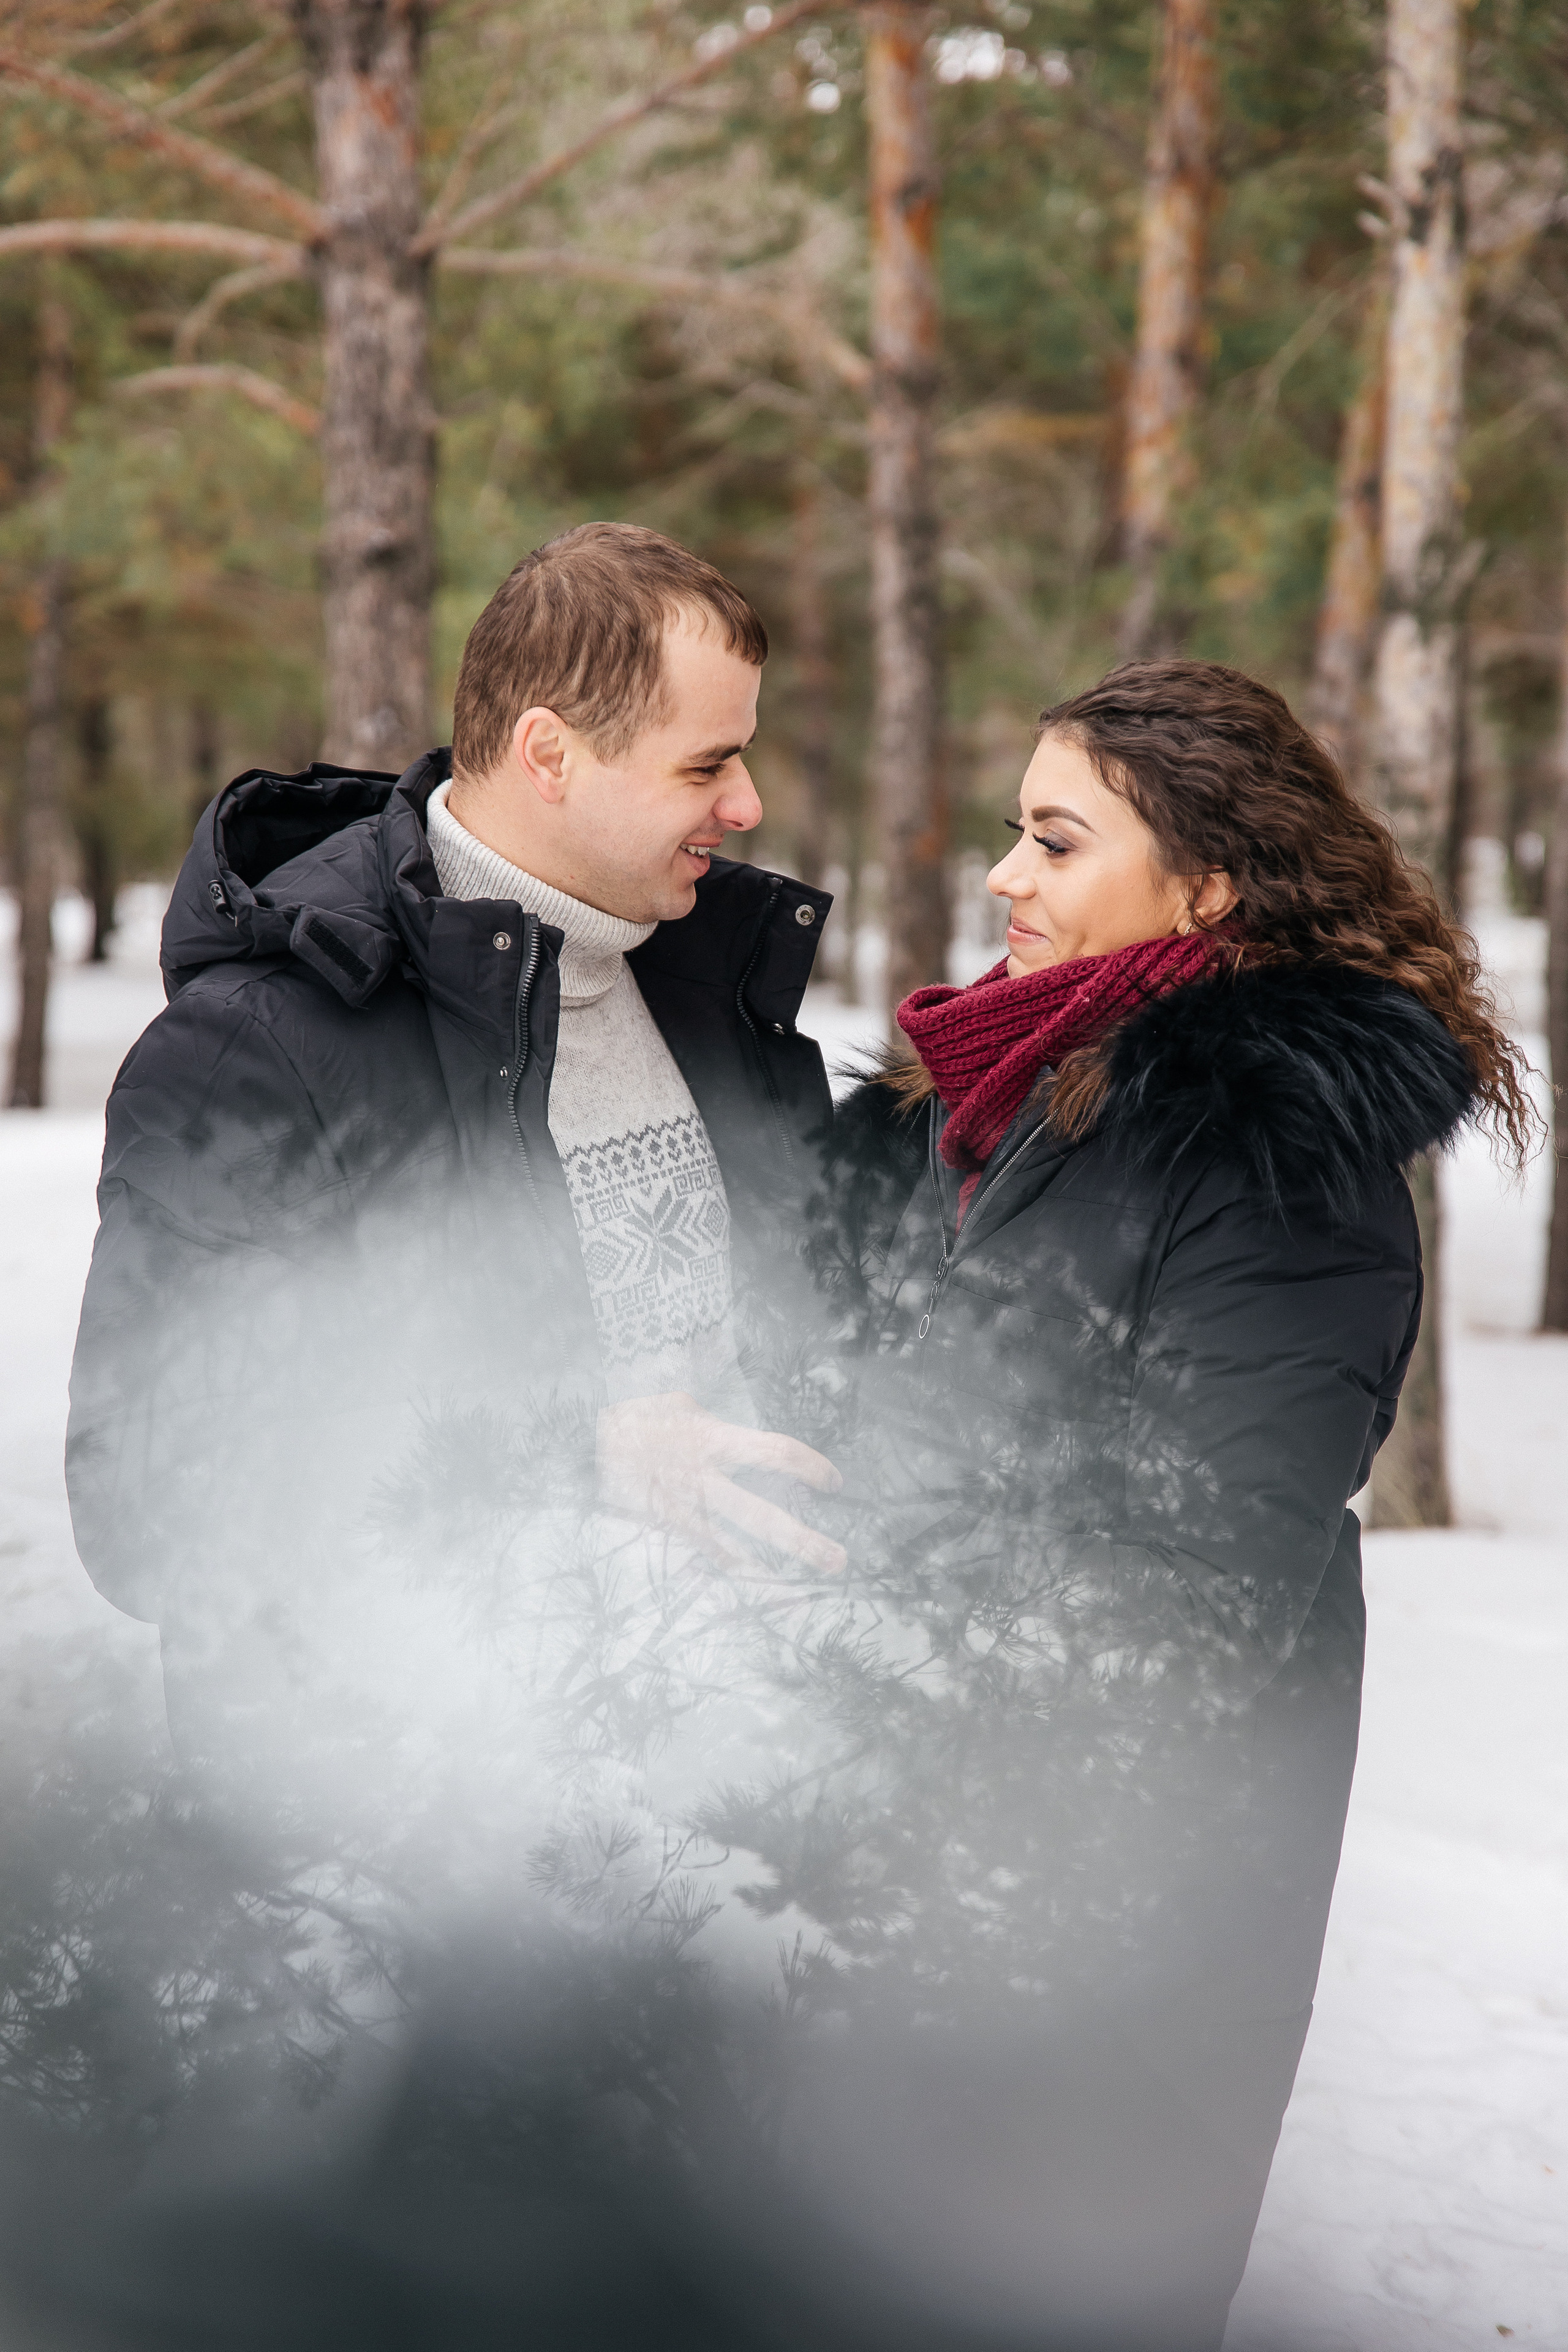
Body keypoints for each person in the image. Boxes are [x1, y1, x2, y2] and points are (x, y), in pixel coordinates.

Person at [785, 660, 1536, 2350]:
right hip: (921, 1863)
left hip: (1113, 1899)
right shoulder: (1004, 1100)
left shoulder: (1275, 1156)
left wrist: (842, 1675)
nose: (1005, 878)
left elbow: (1191, 1584)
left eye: (1056, 843)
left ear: (1206, 885)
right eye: (1010, 834)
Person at [66, 521, 845, 1773]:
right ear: (549, 752)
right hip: (400, 1849)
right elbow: (152, 1504)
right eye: (707, 766)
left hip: (714, 1813)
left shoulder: (712, 992)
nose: (746, 806)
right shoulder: (255, 1050)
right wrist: (579, 1447)